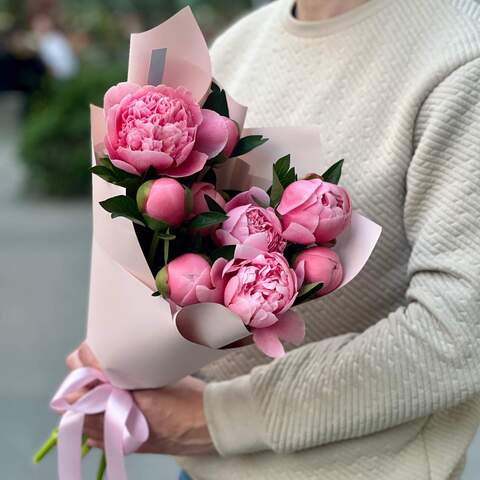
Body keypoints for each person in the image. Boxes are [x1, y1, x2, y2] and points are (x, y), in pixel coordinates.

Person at [68, 0, 480, 479]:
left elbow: (458, 334)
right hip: (206, 468)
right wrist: (127, 354)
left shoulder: (459, 57)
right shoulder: (243, 43)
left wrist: (214, 419)